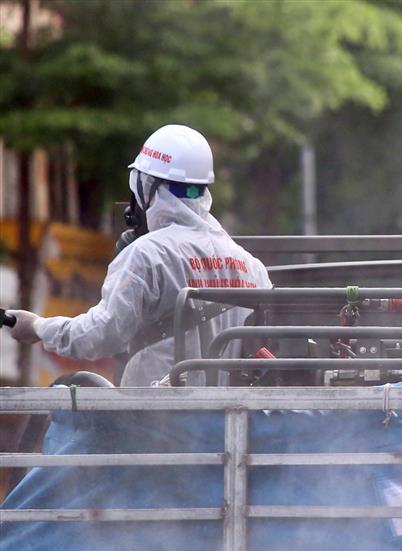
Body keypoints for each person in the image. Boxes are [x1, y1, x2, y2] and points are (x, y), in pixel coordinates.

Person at [7, 124, 271, 387]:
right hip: (228, 421)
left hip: (153, 420)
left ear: (146, 186)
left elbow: (100, 335)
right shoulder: (251, 266)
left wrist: (37, 327)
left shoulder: (148, 256)